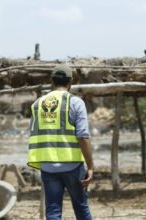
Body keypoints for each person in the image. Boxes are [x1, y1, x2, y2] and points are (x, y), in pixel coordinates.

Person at [27, 64, 94, 220]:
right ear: (71, 81)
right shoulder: (76, 103)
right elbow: (83, 137)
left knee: (53, 211)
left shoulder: (37, 104)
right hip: (72, 165)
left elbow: (35, 133)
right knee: (81, 208)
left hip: (48, 166)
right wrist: (90, 167)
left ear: (52, 81)